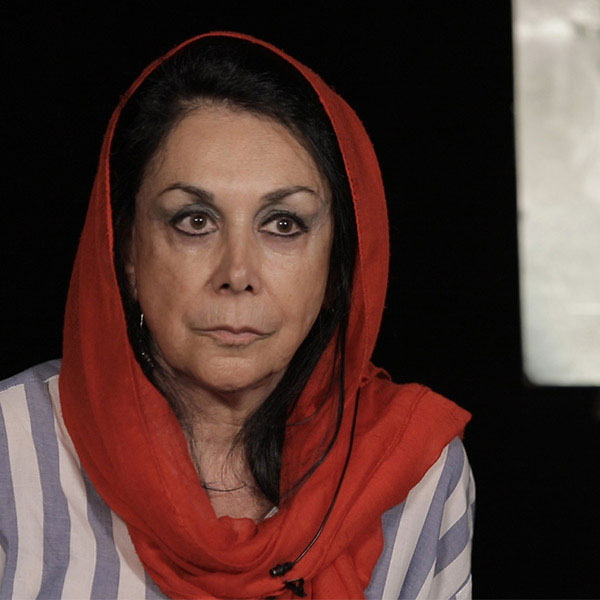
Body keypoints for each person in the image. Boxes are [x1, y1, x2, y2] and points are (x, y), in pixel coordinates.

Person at [0, 32, 474, 599]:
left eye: (283, 224)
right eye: (195, 221)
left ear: (337, 268)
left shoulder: (414, 471)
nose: (237, 272)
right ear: (125, 254)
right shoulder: (11, 446)